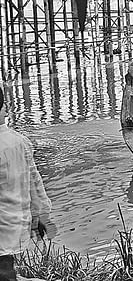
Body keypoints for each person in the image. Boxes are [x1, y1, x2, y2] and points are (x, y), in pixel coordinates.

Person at [0, 88, 57, 281]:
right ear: (4, 110)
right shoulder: (20, 141)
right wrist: (41, 214)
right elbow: (34, 182)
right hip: (12, 226)